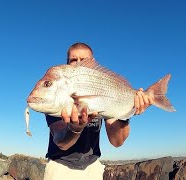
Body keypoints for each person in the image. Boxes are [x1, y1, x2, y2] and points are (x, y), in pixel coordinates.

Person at [43, 42, 153, 180]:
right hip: (60, 167)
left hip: (93, 168)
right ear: (66, 64)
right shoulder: (58, 96)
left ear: (93, 63)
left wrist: (126, 113)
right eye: (73, 60)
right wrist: (74, 128)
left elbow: (116, 141)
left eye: (84, 60)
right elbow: (61, 142)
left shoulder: (103, 85)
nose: (78, 63)